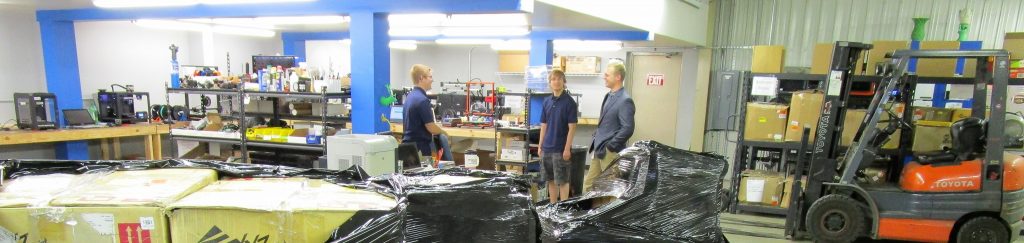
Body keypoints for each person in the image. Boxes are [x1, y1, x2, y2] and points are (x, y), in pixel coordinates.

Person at [583, 62, 635, 192]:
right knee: (589, 186)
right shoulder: (608, 96)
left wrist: (611, 146)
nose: (604, 77)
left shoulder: (625, 100)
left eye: (607, 75)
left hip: (609, 152)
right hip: (598, 148)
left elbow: (628, 128)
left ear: (618, 77)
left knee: (610, 188)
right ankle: (591, 212)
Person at [538, 69, 578, 203]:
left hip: (561, 149)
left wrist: (567, 149)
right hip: (547, 148)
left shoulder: (569, 102)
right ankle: (553, 206)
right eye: (553, 79)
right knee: (551, 180)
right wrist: (540, 145)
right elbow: (543, 125)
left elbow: (572, 127)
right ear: (550, 82)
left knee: (563, 180)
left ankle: (564, 208)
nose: (556, 82)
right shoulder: (546, 101)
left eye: (559, 79)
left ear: (564, 82)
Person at [403, 64, 447, 162]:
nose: (432, 80)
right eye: (430, 77)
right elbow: (431, 127)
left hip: (408, 148)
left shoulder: (410, 97)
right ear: (421, 78)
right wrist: (444, 133)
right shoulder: (422, 100)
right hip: (419, 150)